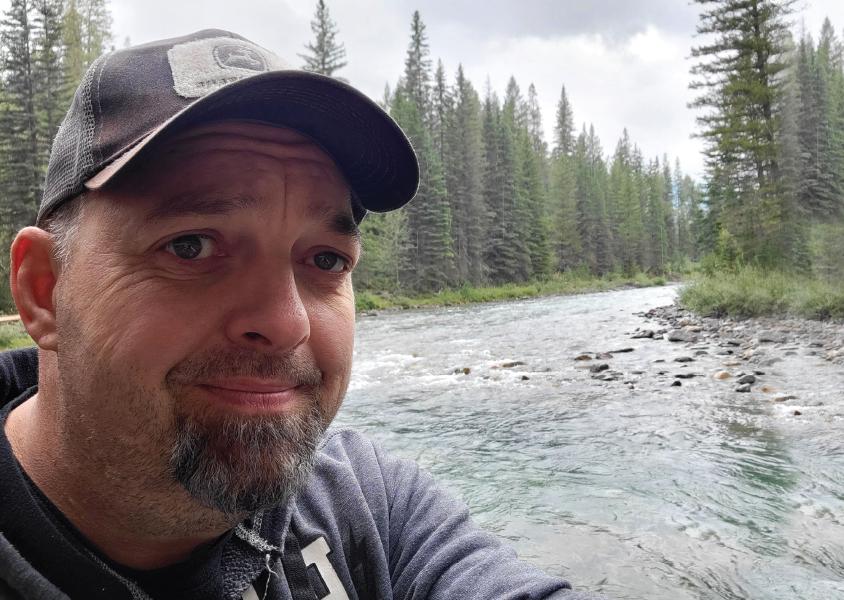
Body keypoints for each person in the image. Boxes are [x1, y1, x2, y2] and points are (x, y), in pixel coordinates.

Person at [0, 30, 605, 600]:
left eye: (324, 258)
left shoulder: (368, 506)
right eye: (191, 246)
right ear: (44, 289)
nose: (288, 324)